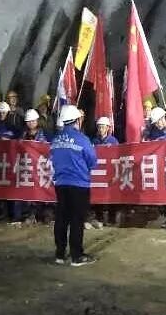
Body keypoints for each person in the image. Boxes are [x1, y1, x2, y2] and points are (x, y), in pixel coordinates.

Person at [51, 105, 98, 266]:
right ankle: (76, 256)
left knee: (62, 218)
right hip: (79, 185)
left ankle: (60, 254)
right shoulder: (82, 139)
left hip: (61, 184)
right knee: (77, 220)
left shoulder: (56, 139)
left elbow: (52, 158)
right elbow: (92, 160)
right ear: (77, 120)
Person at [92, 116, 119, 226]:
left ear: (108, 128)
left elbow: (118, 156)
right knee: (98, 193)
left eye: (103, 127)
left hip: (110, 172)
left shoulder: (113, 141)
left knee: (111, 195)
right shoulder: (94, 141)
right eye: (99, 127)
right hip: (99, 173)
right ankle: (99, 217)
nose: (101, 129)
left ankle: (112, 218)